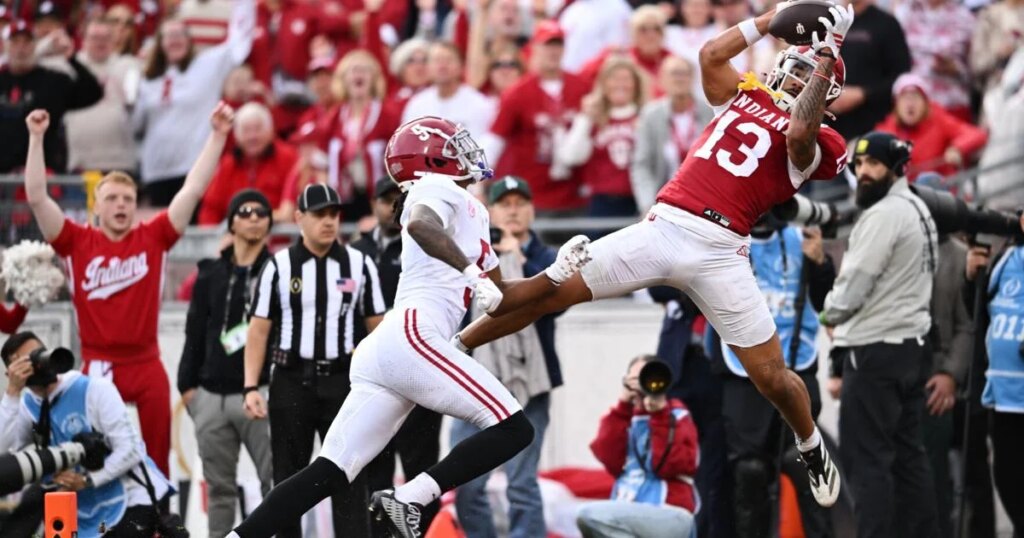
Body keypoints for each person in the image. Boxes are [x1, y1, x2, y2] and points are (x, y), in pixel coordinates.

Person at [457, 4, 855, 507]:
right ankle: (455, 346)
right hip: (664, 227)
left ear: (827, 92)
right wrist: (769, 18)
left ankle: (811, 444)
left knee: (771, 377)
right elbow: (711, 53)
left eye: (809, 72)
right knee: (550, 293)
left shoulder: (827, 138)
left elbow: (799, 136)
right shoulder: (743, 93)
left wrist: (828, 51)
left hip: (721, 251)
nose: (796, 76)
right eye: (794, 65)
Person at [227, 116, 592, 538]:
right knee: (514, 427)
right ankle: (409, 497)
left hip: (391, 347)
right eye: (453, 146)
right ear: (431, 158)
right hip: (415, 335)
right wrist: (471, 275)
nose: (466, 152)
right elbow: (421, 225)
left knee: (330, 471)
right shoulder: (432, 188)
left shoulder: (470, 208)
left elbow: (502, 297)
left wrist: (555, 273)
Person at [23, 103, 236, 476]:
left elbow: (193, 188)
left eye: (128, 199)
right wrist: (37, 138)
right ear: (97, 206)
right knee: (97, 457)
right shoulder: (75, 241)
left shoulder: (153, 236)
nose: (121, 205)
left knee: (157, 459)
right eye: (112, 199)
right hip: (100, 362)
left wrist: (218, 135)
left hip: (146, 360)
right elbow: (38, 199)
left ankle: (158, 529)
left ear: (136, 206)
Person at [240, 183, 387, 537]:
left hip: (343, 381)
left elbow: (378, 328)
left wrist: (382, 385)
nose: (328, 222)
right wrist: (250, 386)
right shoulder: (278, 265)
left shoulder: (359, 263)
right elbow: (259, 330)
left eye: (334, 214)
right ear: (299, 218)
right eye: (319, 214)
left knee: (349, 474)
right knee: (289, 477)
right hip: (291, 379)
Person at [820, 131, 940, 538]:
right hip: (908, 348)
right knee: (909, 459)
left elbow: (854, 283)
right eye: (858, 165)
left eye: (873, 164)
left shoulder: (884, 213)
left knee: (867, 461)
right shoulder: (916, 207)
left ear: (896, 167)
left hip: (874, 352)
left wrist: (828, 313)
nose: (863, 172)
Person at [449, 177, 565, 538]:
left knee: (522, 484)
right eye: (505, 203)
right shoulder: (470, 255)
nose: (513, 210)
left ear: (531, 210)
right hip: (475, 384)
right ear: (491, 211)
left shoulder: (548, 258)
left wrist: (519, 261)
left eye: (520, 202)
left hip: (531, 386)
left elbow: (554, 305)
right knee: (466, 484)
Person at [706, 218, 836, 538]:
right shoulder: (724, 239)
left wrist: (820, 264)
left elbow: (828, 303)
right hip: (743, 376)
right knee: (749, 473)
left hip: (798, 367)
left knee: (809, 469)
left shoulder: (802, 238)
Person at [0, 332, 174, 537]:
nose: (39, 362)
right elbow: (5, 453)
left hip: (132, 497)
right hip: (81, 509)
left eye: (39, 353)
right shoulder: (26, 406)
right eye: (26, 361)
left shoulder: (93, 388)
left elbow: (131, 449)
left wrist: (86, 480)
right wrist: (12, 392)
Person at [178, 190, 275, 538]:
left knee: (275, 486)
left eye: (261, 211)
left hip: (261, 392)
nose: (253, 217)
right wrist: (188, 388)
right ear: (231, 221)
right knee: (218, 490)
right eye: (244, 211)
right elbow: (194, 332)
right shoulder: (210, 274)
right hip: (210, 397)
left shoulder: (278, 270)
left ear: (269, 222)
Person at [357, 178, 445, 534]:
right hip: (378, 373)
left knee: (422, 468)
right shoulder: (357, 252)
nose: (392, 207)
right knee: (374, 468)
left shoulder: (426, 247)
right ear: (373, 204)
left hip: (420, 368)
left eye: (399, 200)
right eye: (386, 200)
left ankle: (428, 533)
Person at [133, 0, 254, 206]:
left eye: (180, 34)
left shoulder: (207, 66)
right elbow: (136, 127)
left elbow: (239, 43)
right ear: (159, 43)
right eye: (169, 36)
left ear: (190, 40)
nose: (175, 40)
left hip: (194, 171)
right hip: (156, 172)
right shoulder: (146, 79)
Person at [576, 355, 698, 538]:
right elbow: (609, 458)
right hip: (628, 510)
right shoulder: (624, 417)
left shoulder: (676, 414)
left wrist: (659, 415)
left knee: (589, 515)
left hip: (669, 512)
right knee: (591, 523)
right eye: (635, 378)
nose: (643, 383)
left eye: (647, 376)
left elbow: (669, 465)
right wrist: (623, 404)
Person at [484, 21, 589, 215]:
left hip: (574, 195)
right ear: (534, 48)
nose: (553, 51)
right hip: (532, 196)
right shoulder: (518, 93)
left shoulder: (581, 88)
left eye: (557, 45)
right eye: (547, 45)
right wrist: (479, 182)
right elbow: (495, 140)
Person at [964, 216, 1024, 537]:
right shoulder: (1008, 256)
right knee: (1008, 482)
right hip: (1003, 397)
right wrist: (972, 278)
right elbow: (980, 313)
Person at [0, 19, 103, 173]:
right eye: (15, 42)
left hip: (44, 171)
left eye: (26, 42)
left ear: (35, 46)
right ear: (5, 46)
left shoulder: (53, 80)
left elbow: (92, 93)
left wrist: (71, 58)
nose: (21, 49)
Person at [559, 56, 648, 219]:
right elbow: (570, 157)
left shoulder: (646, 117)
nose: (620, 84)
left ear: (636, 84)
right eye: (614, 78)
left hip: (638, 201)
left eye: (626, 79)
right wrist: (585, 119)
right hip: (601, 202)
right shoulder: (592, 119)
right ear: (603, 85)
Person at [631, 55, 713, 213]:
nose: (680, 79)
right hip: (662, 203)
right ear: (662, 80)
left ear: (693, 78)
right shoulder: (651, 116)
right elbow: (642, 165)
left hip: (703, 202)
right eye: (674, 73)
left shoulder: (709, 113)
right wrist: (647, 205)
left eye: (684, 73)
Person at [198, 102, 298, 225]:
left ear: (271, 130)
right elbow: (210, 209)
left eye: (258, 129)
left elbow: (294, 208)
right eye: (246, 130)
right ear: (236, 135)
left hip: (280, 240)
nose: (252, 136)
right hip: (236, 240)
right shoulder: (228, 165)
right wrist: (214, 241)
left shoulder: (288, 158)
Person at [873, 73, 987, 180]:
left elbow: (977, 134)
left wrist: (957, 148)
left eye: (915, 97)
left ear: (925, 102)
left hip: (939, 192)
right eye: (904, 98)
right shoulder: (886, 131)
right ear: (896, 104)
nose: (910, 104)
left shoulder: (938, 120)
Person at [64, 17, 142, 173]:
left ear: (114, 40)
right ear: (84, 40)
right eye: (94, 37)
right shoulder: (69, 66)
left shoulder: (130, 65)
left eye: (106, 37)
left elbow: (134, 102)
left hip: (121, 162)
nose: (100, 43)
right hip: (80, 162)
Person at [828, 0, 911, 139]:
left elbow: (901, 76)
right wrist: (826, 94)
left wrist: (864, 94)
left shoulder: (887, 24)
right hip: (828, 123)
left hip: (874, 124)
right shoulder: (828, 22)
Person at [401, 41, 496, 141]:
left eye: (448, 60)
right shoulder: (416, 105)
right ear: (428, 67)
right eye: (437, 60)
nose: (442, 66)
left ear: (461, 66)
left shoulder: (480, 104)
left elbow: (483, 148)